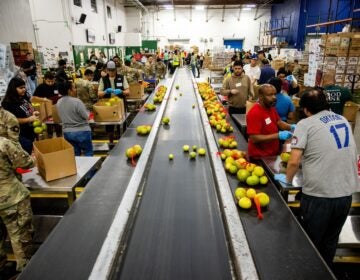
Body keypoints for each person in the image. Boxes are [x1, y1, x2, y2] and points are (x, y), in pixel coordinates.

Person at [277, 88, 359, 266]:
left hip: (319, 196)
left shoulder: (305, 124)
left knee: (311, 243)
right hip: (345, 194)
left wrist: (286, 181)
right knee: (331, 241)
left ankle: (309, 272)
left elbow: (293, 161)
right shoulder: (343, 119)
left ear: (305, 109)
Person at [0, 107, 35, 273]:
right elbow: (26, 162)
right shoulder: (4, 144)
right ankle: (25, 270)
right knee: (20, 234)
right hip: (10, 197)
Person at [246, 84, 293, 159]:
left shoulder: (271, 108)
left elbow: (279, 122)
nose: (274, 97)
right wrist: (278, 135)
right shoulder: (255, 113)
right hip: (260, 157)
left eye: (275, 94)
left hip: (272, 153)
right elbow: (254, 138)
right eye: (270, 95)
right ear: (261, 96)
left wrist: (291, 127)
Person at [1, 77, 39, 154]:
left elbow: (29, 107)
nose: (24, 89)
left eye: (24, 87)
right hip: (20, 135)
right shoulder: (7, 103)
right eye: (21, 88)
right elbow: (10, 121)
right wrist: (29, 119)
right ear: (13, 89)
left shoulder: (23, 97)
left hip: (31, 132)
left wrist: (33, 112)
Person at [56, 81, 93, 156]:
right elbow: (86, 116)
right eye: (73, 87)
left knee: (75, 155)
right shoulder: (77, 101)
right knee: (88, 152)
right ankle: (90, 168)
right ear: (69, 90)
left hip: (67, 132)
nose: (75, 89)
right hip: (82, 131)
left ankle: (78, 167)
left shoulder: (59, 102)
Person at [98, 61, 130, 144]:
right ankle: (111, 142)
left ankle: (122, 142)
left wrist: (122, 91)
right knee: (109, 126)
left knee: (122, 125)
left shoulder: (122, 78)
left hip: (120, 105)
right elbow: (99, 94)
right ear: (106, 70)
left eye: (113, 70)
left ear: (116, 69)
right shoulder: (103, 79)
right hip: (108, 106)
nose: (111, 72)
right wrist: (105, 92)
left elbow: (128, 92)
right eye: (109, 70)